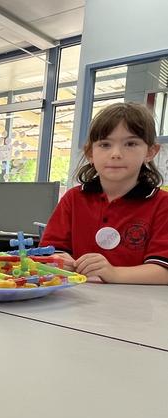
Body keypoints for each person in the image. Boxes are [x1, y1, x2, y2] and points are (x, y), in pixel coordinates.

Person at [40, 102, 168, 284]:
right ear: (90, 153)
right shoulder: (73, 199)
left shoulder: (162, 204)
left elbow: (164, 271)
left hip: (139, 308)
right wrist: (59, 260)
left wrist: (113, 273)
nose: (116, 154)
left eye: (130, 143)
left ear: (151, 152)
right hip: (76, 305)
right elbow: (48, 253)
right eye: (105, 144)